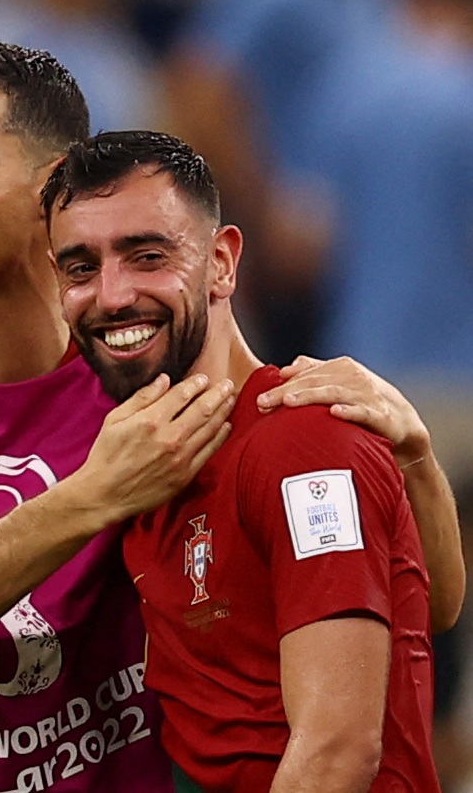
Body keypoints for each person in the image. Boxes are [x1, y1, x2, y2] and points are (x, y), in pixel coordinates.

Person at [0, 43, 463, 793]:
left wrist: (411, 461)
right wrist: (96, 494)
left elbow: (421, 603)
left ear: (52, 190)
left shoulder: (151, 384)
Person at [43, 129, 462, 790]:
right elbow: (427, 601)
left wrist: (413, 455)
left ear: (221, 262)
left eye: (147, 255)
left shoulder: (300, 446)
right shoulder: (139, 454)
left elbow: (336, 751)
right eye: (80, 267)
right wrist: (416, 457)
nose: (113, 294)